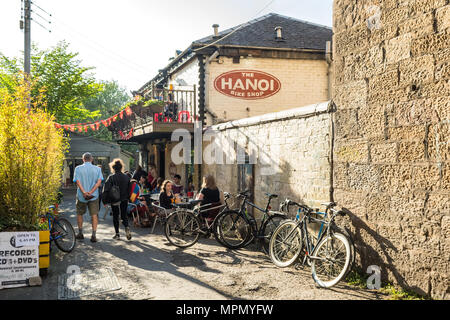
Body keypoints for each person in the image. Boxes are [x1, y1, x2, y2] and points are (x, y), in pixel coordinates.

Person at [73, 153, 104, 243]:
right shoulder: (97, 169)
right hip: (93, 196)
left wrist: (84, 192)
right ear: (92, 159)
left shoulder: (78, 168)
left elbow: (77, 182)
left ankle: (80, 233)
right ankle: (93, 235)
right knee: (94, 215)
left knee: (79, 214)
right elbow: (98, 183)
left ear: (83, 159)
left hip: (81, 195)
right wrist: (90, 192)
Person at [103, 158, 132, 240]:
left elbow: (106, 189)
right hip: (124, 199)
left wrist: (104, 200)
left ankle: (117, 234)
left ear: (113, 168)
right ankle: (127, 227)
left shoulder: (111, 177)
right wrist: (128, 198)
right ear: (121, 167)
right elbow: (129, 189)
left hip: (114, 199)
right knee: (124, 215)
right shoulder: (126, 177)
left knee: (115, 216)